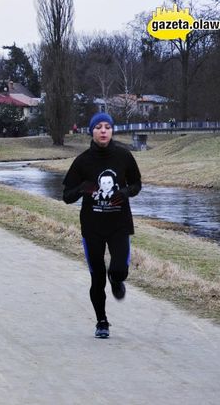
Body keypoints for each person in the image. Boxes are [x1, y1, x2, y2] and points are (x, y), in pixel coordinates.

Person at [62, 112, 142, 339]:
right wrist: (82, 189)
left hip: (119, 224)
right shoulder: (82, 161)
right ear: (92, 131)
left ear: (113, 131)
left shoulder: (124, 156)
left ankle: (116, 280)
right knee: (97, 277)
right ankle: (102, 322)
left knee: (118, 269)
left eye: (108, 126)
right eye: (99, 127)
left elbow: (137, 183)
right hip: (92, 227)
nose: (104, 130)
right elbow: (66, 195)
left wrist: (125, 192)